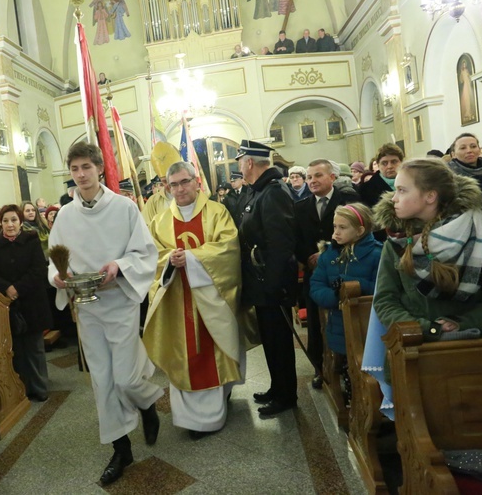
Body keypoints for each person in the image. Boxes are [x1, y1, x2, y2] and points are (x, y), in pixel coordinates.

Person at [48, 142, 163, 485]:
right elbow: (55, 257)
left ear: (99, 168)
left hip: (119, 302)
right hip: (87, 307)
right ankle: (121, 447)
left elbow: (145, 251)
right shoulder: (66, 214)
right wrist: (56, 275)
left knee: (125, 378)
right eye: (74, 169)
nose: (81, 175)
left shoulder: (123, 208)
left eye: (86, 167)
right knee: (102, 379)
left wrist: (120, 264)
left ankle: (147, 403)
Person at [364, 159, 482, 418]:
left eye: (402, 190)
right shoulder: (397, 242)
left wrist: (461, 324)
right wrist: (426, 328)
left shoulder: (480, 236)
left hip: (471, 353)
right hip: (414, 351)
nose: (393, 199)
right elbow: (386, 301)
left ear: (430, 196)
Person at [144, 161, 242, 438]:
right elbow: (152, 254)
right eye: (173, 184)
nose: (179, 189)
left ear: (196, 181)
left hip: (211, 297)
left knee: (213, 350)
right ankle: (192, 419)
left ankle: (216, 405)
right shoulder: (160, 220)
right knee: (184, 353)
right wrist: (170, 261)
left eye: (184, 182)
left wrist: (192, 257)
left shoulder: (217, 212)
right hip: (176, 298)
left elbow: (228, 248)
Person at [236, 140, 299, 416]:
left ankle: (287, 396)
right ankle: (277, 387)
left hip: (272, 282)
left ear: (249, 162)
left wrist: (273, 286)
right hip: (261, 280)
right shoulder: (258, 191)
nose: (239, 165)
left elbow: (280, 244)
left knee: (280, 341)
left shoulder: (273, 192)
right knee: (271, 340)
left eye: (240, 160)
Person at [294, 159, 359, 389]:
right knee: (315, 322)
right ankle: (319, 368)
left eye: (318, 175)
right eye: (309, 177)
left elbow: (357, 233)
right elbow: (296, 239)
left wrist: (326, 253)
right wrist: (309, 255)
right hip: (315, 275)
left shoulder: (348, 202)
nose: (312, 180)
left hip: (345, 270)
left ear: (332, 177)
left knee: (346, 320)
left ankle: (350, 366)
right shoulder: (300, 206)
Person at [309, 203, 381, 402]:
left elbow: (381, 288)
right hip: (338, 324)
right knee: (349, 371)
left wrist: (353, 286)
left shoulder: (377, 254)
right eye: (334, 227)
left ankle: (371, 408)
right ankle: (353, 407)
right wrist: (336, 295)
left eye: (342, 228)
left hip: (368, 328)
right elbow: (316, 286)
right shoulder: (329, 255)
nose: (335, 233)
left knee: (369, 374)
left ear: (360, 230)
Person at [0, 204, 51, 401]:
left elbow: (38, 269)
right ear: (0, 223)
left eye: (13, 220)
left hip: (31, 301)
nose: (9, 224)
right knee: (15, 349)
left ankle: (39, 387)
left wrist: (18, 288)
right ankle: (21, 389)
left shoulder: (31, 241)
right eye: (5, 220)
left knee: (34, 348)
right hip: (6, 304)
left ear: (21, 222)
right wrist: (7, 288)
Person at [143, 142, 181, 224]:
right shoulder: (153, 202)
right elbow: (145, 230)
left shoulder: (192, 195)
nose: (170, 184)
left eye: (172, 179)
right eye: (164, 181)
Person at [359, 143, 404, 208]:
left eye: (394, 162)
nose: (390, 166)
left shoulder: (413, 184)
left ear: (401, 162)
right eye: (384, 163)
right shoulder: (365, 189)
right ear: (378, 165)